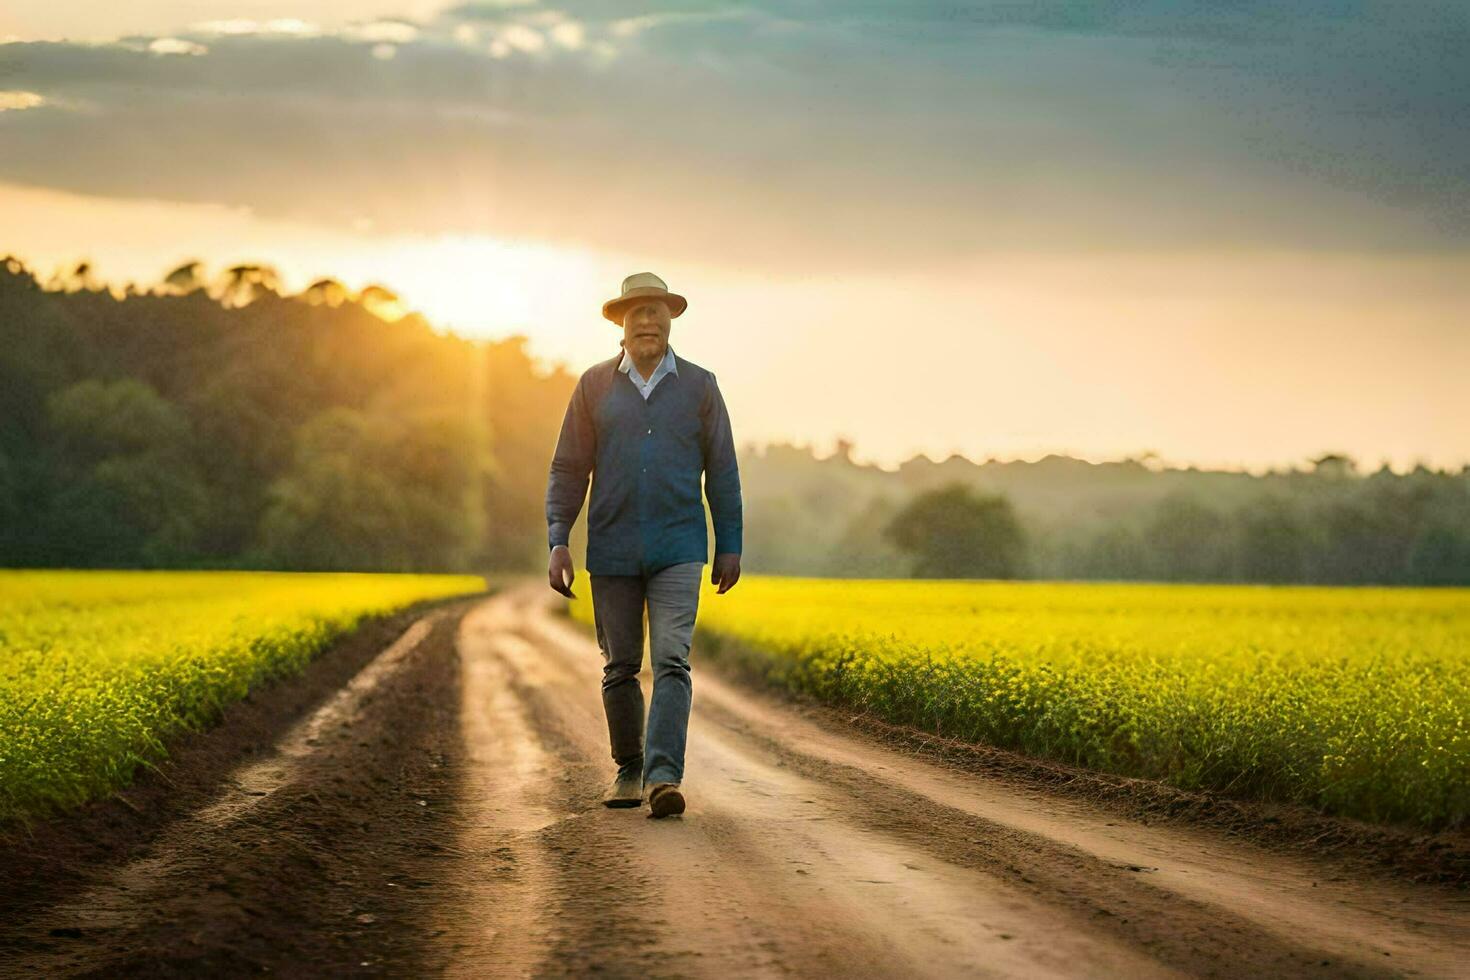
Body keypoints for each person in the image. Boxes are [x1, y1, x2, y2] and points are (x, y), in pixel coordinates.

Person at [545, 272, 743, 819]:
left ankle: (662, 778)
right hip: (611, 549)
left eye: (657, 310)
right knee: (621, 667)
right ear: (621, 325)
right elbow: (568, 467)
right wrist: (559, 538)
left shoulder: (701, 386)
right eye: (637, 313)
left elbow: (722, 470)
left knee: (673, 660)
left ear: (671, 318)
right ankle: (629, 766)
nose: (648, 320)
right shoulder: (592, 386)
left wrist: (730, 542)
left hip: (679, 546)